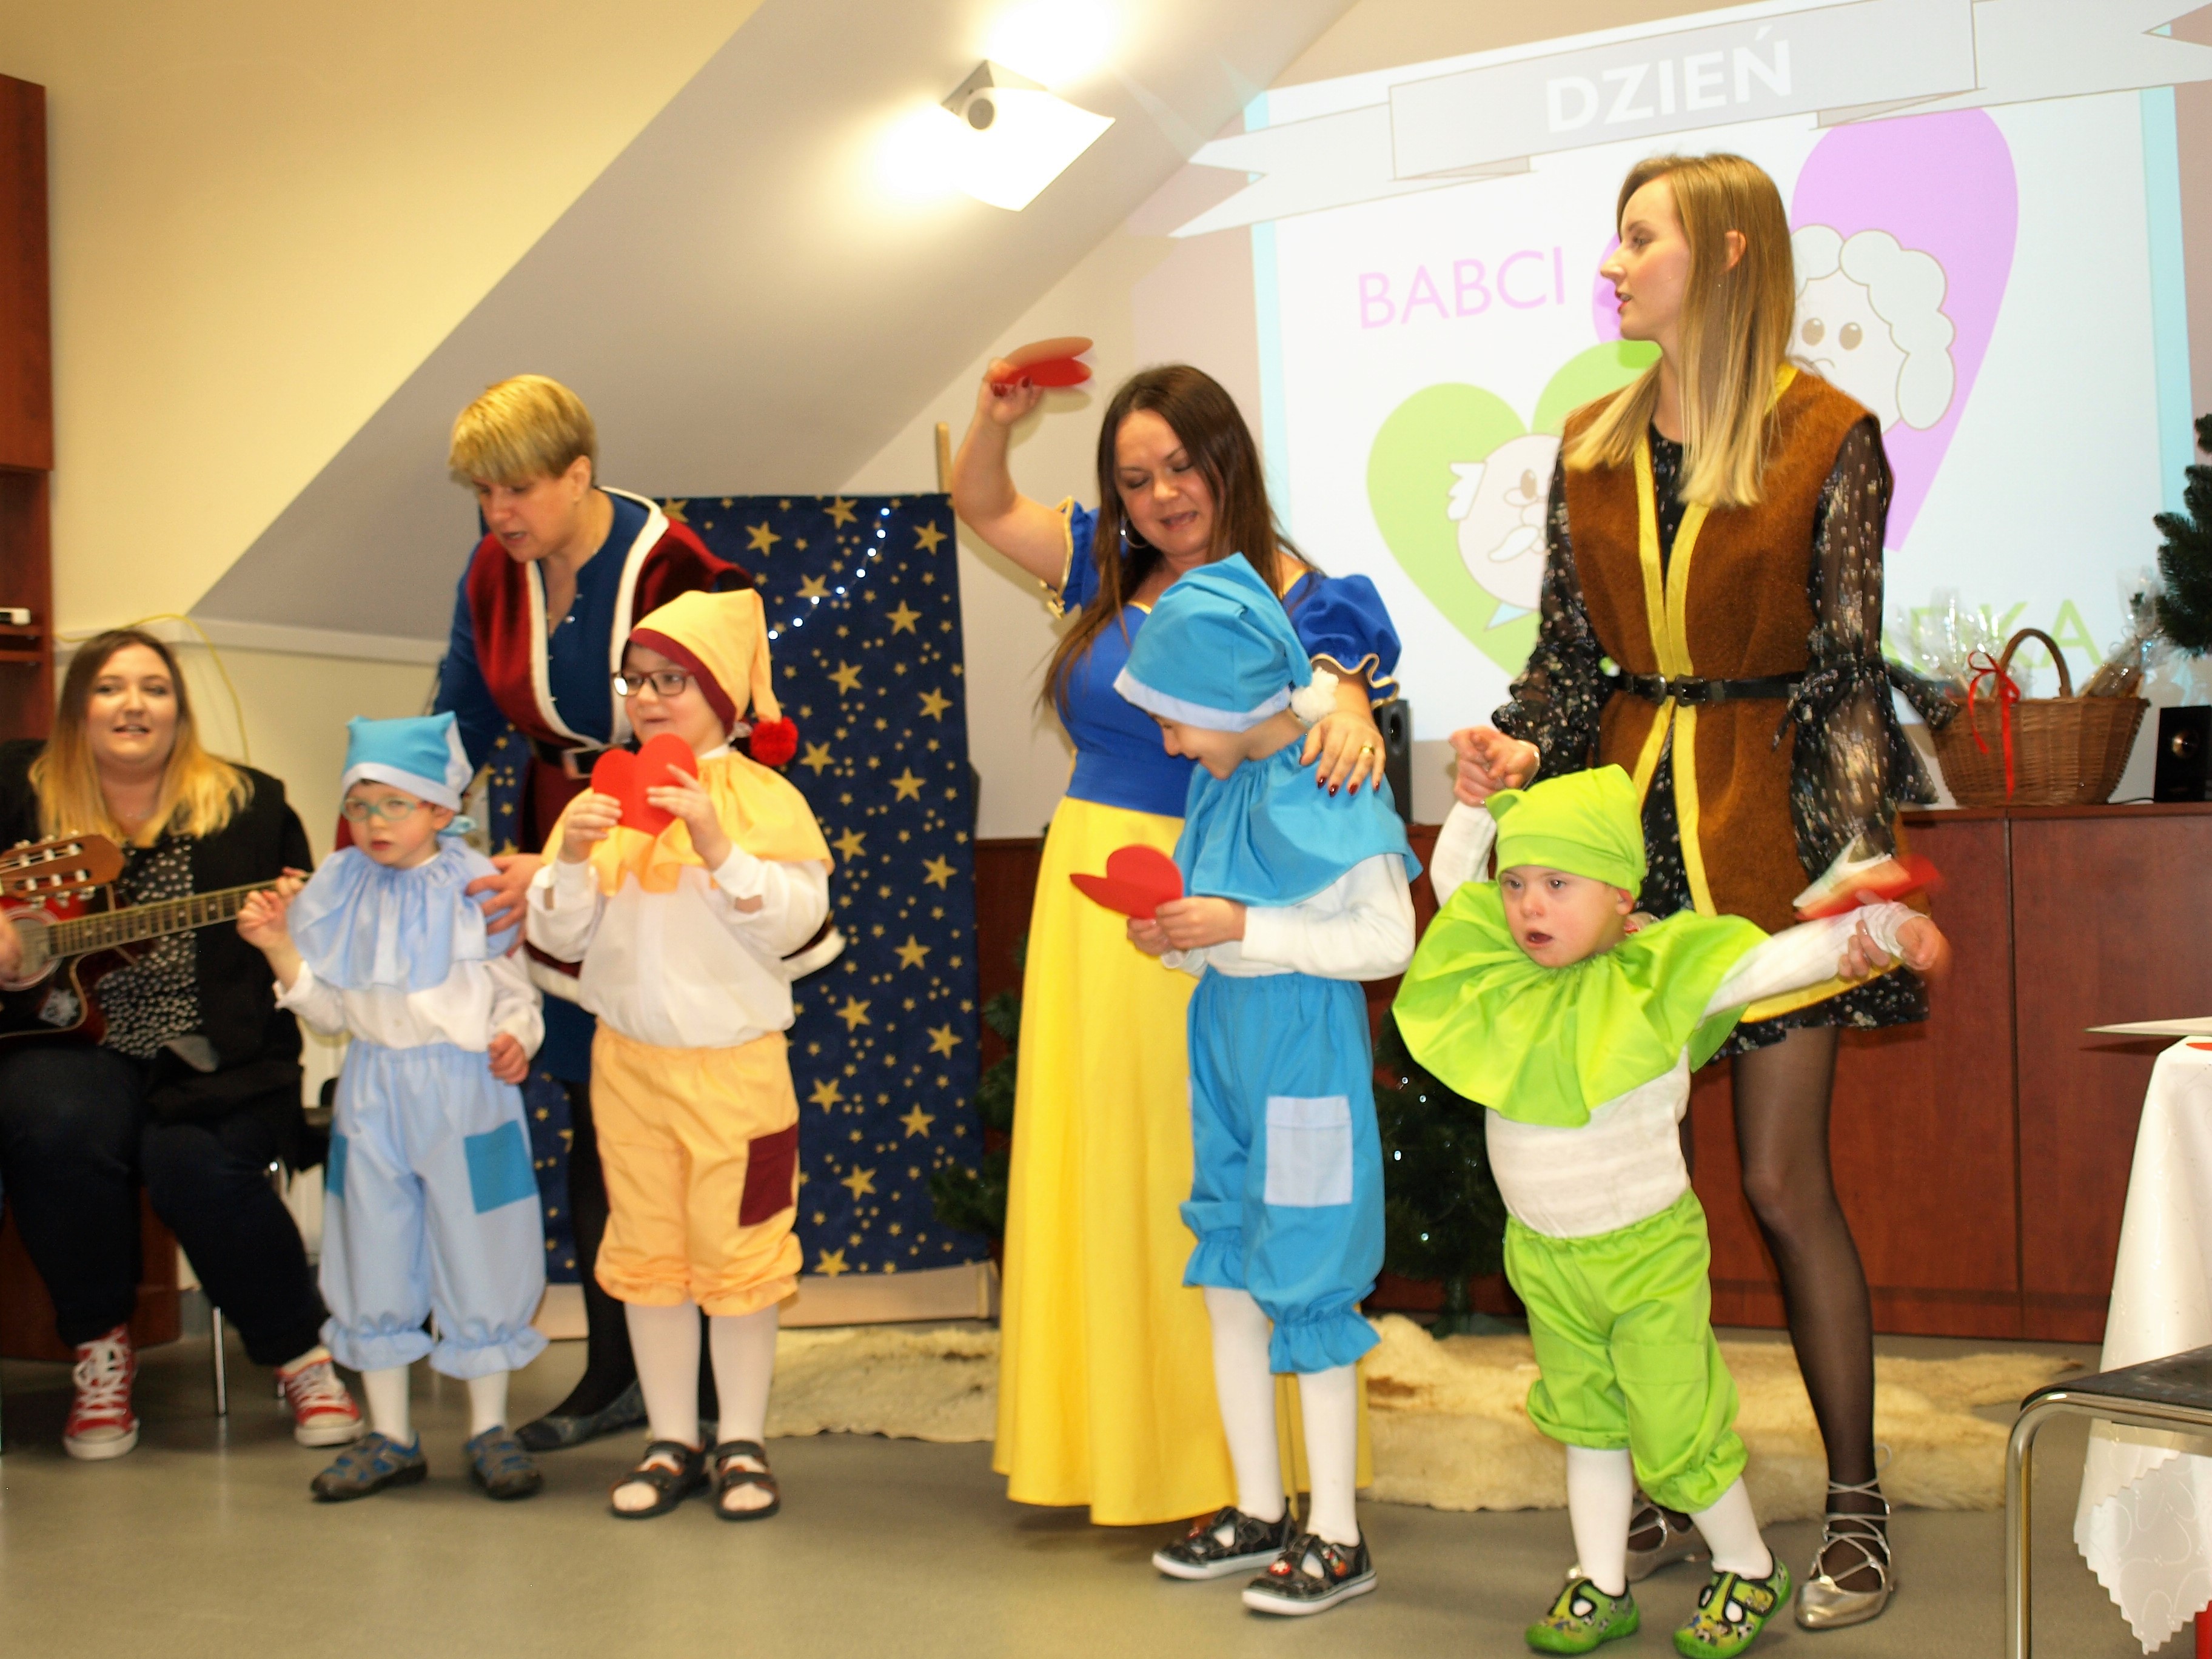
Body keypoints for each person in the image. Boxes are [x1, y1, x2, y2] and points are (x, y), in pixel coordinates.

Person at [1447, 153, 1955, 1629]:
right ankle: (1672, 1482)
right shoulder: (1591, 443)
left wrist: (1851, 868)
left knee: (1783, 1182)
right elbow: (1568, 658)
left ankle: (1854, 1506)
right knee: (1631, 1188)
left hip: (1768, 837)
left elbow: (1847, 669)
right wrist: (1515, 742)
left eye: (1639, 238)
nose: (1612, 263)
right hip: (1624, 851)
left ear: (1728, 253)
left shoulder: (1828, 437)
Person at [951, 360, 1401, 1526]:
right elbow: (982, 502)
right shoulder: (1104, 563)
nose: (1161, 496)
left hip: (1222, 893)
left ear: (1227, 457)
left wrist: (1349, 702)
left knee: (1203, 1171)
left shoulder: (1307, 596)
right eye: (1135, 478)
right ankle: (1113, 1451)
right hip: (1089, 893)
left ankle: (1231, 1479)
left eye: (1181, 466)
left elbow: (1338, 698)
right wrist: (995, 419)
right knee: (1105, 1158)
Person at [1395, 768, 1949, 1655]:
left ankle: (1748, 1566)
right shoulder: (1502, 970)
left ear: (1622, 896)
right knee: (1586, 1423)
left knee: (1676, 1427)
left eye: (1558, 883)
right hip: (1545, 1256)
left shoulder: (1663, 974)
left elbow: (1780, 958)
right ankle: (1601, 1580)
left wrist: (1885, 928)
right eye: (1519, 883)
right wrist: (1471, 800)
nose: (1530, 904)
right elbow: (1456, 880)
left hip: (1647, 1260)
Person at [435, 374, 748, 1450]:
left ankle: (709, 1385)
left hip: (669, 849)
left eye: (518, 490)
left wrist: (576, 858)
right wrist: (383, 838)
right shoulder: (492, 571)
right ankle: (620, 1372)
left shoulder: (676, 565)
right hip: (555, 844)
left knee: (686, 1112)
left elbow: (715, 734)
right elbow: (458, 719)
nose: (499, 514)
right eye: (484, 494)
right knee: (593, 1105)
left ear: (580, 474)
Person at [1115, 556, 1417, 1614]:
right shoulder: (1220, 783)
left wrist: (1243, 926)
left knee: (1310, 1280)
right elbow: (1226, 935)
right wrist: (1182, 942)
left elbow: (1387, 939)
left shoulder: (1336, 778)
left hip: (1304, 1061)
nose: (1169, 744)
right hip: (1226, 1050)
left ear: (1233, 697)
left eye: (1176, 720)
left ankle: (1337, 1531)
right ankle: (1257, 1507)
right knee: (1234, 1269)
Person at [0, 630, 361, 1458]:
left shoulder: (251, 806)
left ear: (179, 709)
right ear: (77, 707)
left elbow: (309, 936)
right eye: (110, 687)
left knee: (196, 1164)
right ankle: (99, 1347)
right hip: (65, 1038)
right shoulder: (19, 787)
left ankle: (298, 1353)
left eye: (155, 689)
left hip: (213, 1049)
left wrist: (289, 926)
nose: (134, 705)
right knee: (54, 1125)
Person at [528, 588, 831, 1521]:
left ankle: (740, 1440)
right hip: (629, 1072)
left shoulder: (766, 800)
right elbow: (558, 934)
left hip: (737, 1076)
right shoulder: (600, 801)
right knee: (648, 1255)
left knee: (742, 1260)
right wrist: (569, 861)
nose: (651, 698)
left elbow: (797, 924)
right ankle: (671, 1440)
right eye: (637, 681)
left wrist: (715, 843)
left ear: (723, 695)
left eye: (674, 681)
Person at [236, 714, 548, 1502]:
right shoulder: (340, 891)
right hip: (374, 1092)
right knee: (370, 1245)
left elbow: (517, 996)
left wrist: (515, 1038)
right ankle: (390, 1435)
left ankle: (489, 1428)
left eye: (395, 804)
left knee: (483, 1245)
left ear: (440, 810)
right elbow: (330, 1012)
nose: (374, 823)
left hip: (468, 1092)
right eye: (360, 805)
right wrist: (280, 948)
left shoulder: (476, 887)